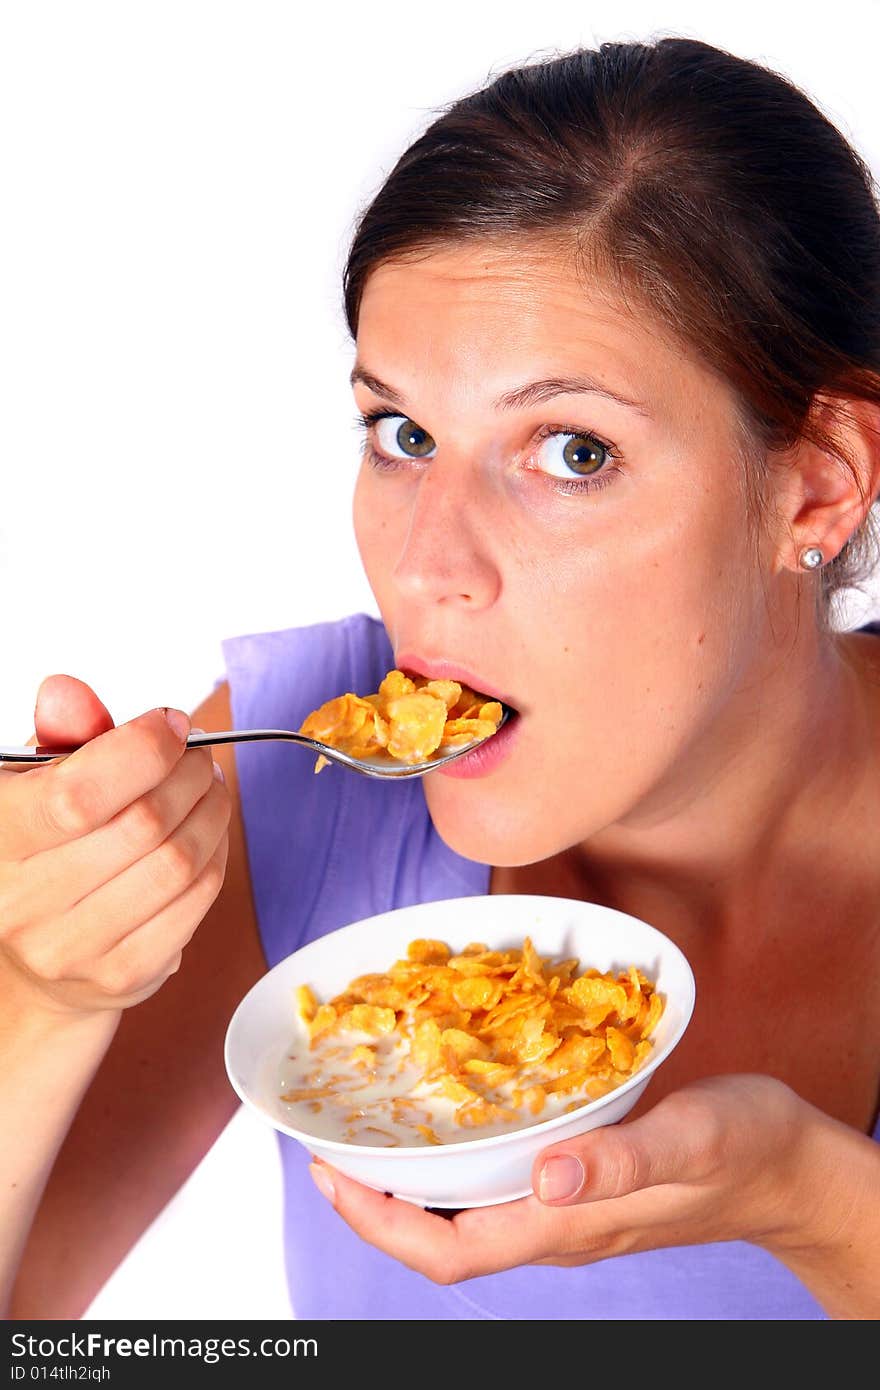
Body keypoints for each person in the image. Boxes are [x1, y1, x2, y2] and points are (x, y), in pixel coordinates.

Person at [3, 35, 880, 1322]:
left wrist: (824, 1209)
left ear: (817, 482)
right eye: (402, 434)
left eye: (571, 451)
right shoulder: (290, 772)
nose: (425, 567)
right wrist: (40, 992)